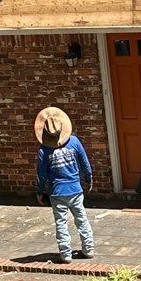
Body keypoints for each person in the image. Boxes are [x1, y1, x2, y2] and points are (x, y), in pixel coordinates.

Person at [33, 106, 95, 263]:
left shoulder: (44, 150)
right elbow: (84, 162)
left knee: (61, 222)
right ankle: (88, 249)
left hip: (56, 192)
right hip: (75, 189)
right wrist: (88, 178)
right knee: (81, 219)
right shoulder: (74, 142)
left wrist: (40, 191)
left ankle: (66, 254)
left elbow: (41, 174)